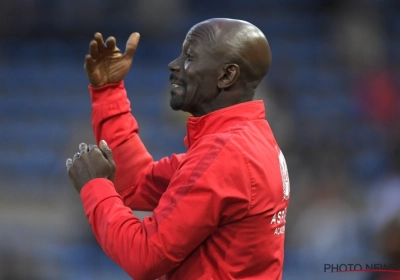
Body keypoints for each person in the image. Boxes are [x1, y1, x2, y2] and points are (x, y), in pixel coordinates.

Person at [66, 18, 290, 280]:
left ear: (226, 75)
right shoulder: (249, 138)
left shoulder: (223, 155)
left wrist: (95, 186)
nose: (174, 64)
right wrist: (108, 92)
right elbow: (136, 183)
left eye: (189, 56)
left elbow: (144, 256)